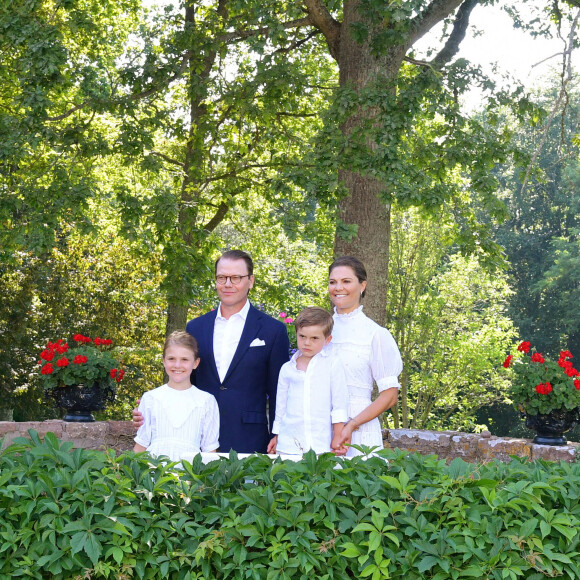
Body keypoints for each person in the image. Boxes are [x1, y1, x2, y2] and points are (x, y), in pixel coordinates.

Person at [133, 250, 290, 454]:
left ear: (250, 281)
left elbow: (280, 390)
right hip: (196, 439)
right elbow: (184, 380)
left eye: (236, 278)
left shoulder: (273, 330)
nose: (227, 284)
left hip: (248, 438)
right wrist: (152, 407)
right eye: (221, 277)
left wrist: (279, 433)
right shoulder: (196, 327)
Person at [328, 256, 403, 457]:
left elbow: (390, 396)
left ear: (362, 286)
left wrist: (352, 424)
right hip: (320, 425)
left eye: (346, 281)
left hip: (358, 429)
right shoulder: (320, 330)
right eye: (333, 282)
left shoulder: (375, 334)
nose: (338, 287)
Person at [267, 307, 349, 456]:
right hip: (288, 446)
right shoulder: (287, 369)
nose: (307, 343)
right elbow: (280, 407)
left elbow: (339, 404)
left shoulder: (332, 364)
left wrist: (338, 436)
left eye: (314, 338)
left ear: (327, 340)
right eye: (302, 336)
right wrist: (277, 436)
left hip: (320, 445)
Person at [133, 331, 220, 461]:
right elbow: (141, 445)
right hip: (155, 474)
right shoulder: (151, 398)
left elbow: (210, 450)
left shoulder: (206, 401)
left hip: (190, 474)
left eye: (184, 359)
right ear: (163, 361)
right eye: (171, 359)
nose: (177, 365)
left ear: (196, 363)